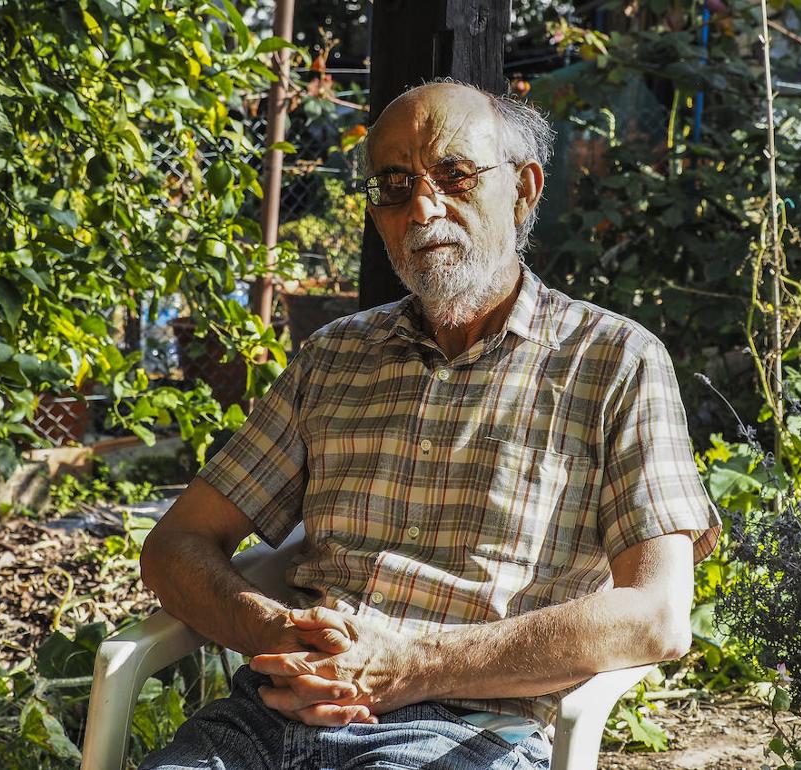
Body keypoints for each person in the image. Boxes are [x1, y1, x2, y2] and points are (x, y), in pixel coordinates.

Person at [137, 80, 720, 770]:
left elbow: (655, 614)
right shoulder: (335, 357)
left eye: (455, 175)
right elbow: (176, 544)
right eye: (394, 184)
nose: (422, 208)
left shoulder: (614, 361)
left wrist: (409, 665)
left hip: (465, 730)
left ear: (525, 190)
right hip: (267, 718)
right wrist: (271, 627)